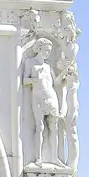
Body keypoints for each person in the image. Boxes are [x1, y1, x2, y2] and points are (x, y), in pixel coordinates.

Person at [23, 37, 64, 166]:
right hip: (38, 97)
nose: (48, 53)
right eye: (46, 50)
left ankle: (54, 157)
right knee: (40, 127)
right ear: (39, 49)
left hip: (51, 97)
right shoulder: (30, 63)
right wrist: (35, 79)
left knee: (54, 128)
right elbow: (25, 81)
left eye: (49, 51)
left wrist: (64, 76)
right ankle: (38, 158)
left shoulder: (48, 66)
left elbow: (55, 83)